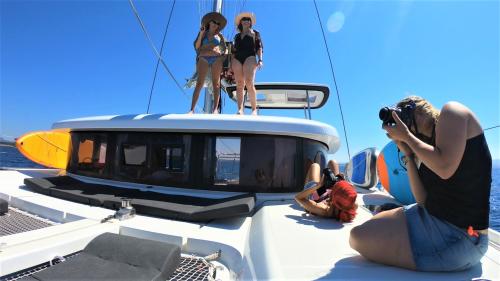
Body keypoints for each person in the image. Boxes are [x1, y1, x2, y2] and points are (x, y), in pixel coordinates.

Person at [349, 96, 492, 271]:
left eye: (408, 108)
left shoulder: (452, 112)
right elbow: (423, 200)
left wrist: (408, 137)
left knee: (357, 238)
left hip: (462, 238)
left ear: (422, 106)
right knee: (366, 226)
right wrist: (408, 154)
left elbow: (445, 168)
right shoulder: (427, 149)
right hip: (433, 218)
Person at [188, 12, 227, 114]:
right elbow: (197, 46)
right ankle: (191, 110)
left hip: (216, 59)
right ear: (209, 22)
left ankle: (215, 110)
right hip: (203, 57)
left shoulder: (220, 36)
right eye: (214, 22)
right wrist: (201, 34)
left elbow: (224, 49)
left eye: (218, 23)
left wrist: (221, 52)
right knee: (199, 83)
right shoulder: (203, 33)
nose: (215, 24)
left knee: (216, 84)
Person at [231, 12, 264, 115]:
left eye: (248, 19)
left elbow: (259, 47)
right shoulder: (237, 36)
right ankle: (240, 109)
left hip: (250, 56)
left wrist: (260, 60)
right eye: (244, 19)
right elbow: (234, 50)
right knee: (239, 84)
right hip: (237, 58)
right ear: (241, 22)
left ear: (250, 23)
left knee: (249, 82)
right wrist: (231, 63)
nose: (246, 20)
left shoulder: (255, 33)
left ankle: (254, 109)